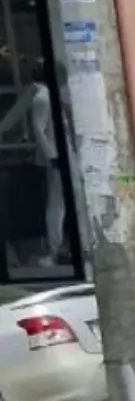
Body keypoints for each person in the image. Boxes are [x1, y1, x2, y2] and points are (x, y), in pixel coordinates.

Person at [0, 60, 63, 264]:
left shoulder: (39, 94)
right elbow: (37, 128)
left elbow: (19, 123)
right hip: (56, 158)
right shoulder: (43, 95)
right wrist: (51, 155)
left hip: (54, 157)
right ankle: (56, 249)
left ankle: (56, 249)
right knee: (57, 206)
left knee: (57, 205)